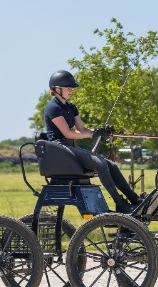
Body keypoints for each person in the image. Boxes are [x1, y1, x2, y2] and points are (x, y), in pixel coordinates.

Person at [43, 70, 141, 213]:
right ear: (57, 89)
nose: (71, 90)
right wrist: (92, 134)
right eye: (68, 88)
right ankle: (119, 203)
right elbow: (68, 133)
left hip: (70, 147)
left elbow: (82, 129)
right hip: (60, 149)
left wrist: (100, 131)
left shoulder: (71, 107)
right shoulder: (53, 108)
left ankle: (134, 199)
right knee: (100, 164)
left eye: (72, 88)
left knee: (112, 165)